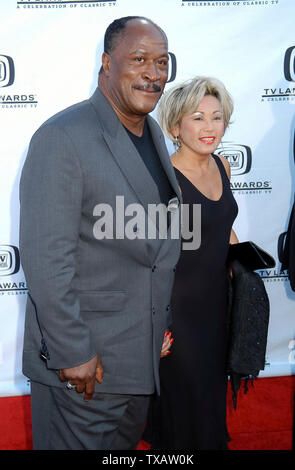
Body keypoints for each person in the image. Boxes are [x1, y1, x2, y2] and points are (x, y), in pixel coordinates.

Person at [19, 16, 181, 450]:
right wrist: (73, 353)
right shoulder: (62, 137)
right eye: (140, 59)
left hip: (137, 366)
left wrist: (158, 326)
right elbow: (46, 260)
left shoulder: (154, 134)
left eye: (163, 62)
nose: (154, 73)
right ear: (106, 64)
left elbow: (153, 246)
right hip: (85, 372)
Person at [144, 76, 239, 450]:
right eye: (198, 118)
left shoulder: (223, 166)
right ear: (175, 126)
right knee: (183, 410)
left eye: (217, 118)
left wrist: (245, 263)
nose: (210, 127)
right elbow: (148, 258)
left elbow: (224, 229)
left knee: (210, 404)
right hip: (178, 313)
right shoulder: (163, 180)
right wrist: (157, 325)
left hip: (218, 307)